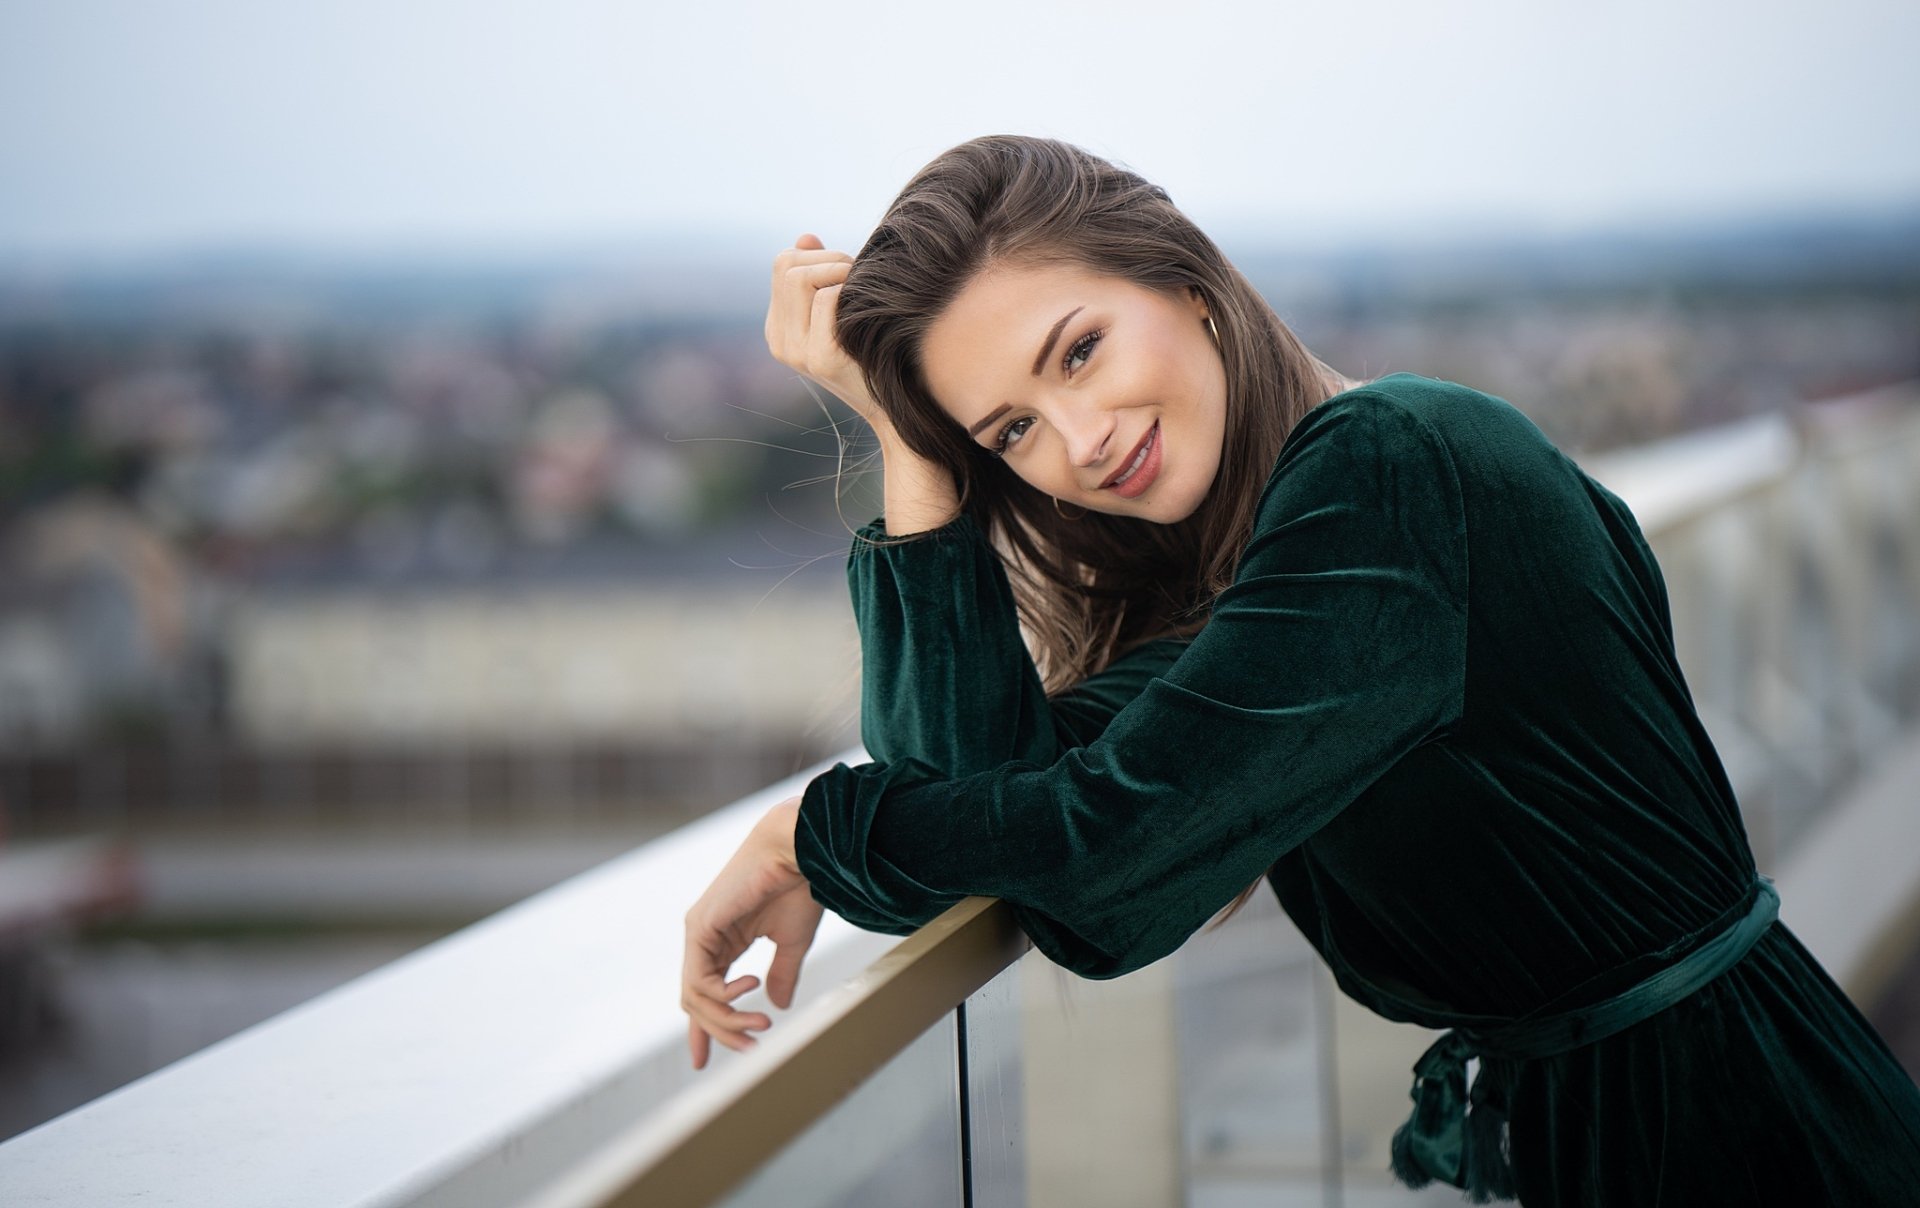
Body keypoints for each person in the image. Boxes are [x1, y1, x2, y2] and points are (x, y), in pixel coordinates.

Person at [680, 136, 1920, 1205]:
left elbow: (1103, 861)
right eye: (1008, 431)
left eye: (1078, 351)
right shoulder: (1260, 576)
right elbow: (981, 796)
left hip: (1736, 1134)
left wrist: (811, 832)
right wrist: (908, 438)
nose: (1080, 440)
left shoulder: (1391, 470)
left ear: (1185, 279)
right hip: (1647, 1123)